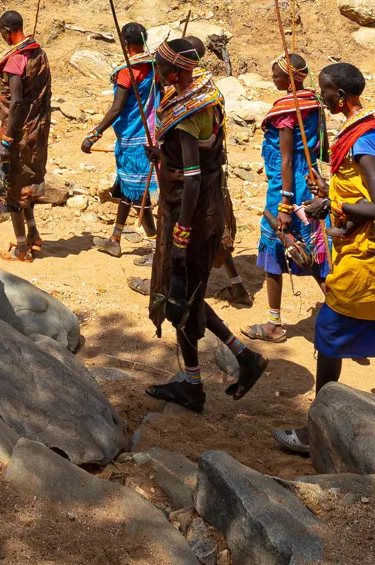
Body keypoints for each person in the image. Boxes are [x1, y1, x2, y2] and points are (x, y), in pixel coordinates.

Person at [272, 67, 375, 457]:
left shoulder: (363, 142)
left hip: (369, 256)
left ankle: (315, 430)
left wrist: (332, 203)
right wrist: (330, 187)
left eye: (325, 91)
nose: (321, 97)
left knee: (330, 337)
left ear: (339, 95)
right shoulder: (365, 131)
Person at [146, 35, 267, 410]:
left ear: (178, 69)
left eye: (162, 66)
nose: (157, 71)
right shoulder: (206, 90)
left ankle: (195, 383)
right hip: (208, 205)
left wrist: (180, 233)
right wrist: (162, 155)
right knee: (187, 295)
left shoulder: (185, 109)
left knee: (178, 297)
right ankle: (241, 358)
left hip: (190, 213)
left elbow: (192, 175)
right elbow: (197, 153)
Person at [245, 51, 325, 343]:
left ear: (290, 78)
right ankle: (343, 320)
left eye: (277, 74)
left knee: (276, 249)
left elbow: (287, 160)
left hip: (287, 186)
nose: (273, 78)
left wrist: (284, 203)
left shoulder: (287, 110)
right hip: (309, 182)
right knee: (311, 251)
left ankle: (274, 325)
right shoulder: (313, 102)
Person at [81, 20, 158, 257]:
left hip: (135, 141)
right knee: (126, 188)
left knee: (139, 198)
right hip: (146, 136)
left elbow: (116, 109)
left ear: (126, 45)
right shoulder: (154, 67)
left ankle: (157, 249)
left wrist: (94, 134)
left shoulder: (128, 72)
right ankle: (115, 238)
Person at [0, 9, 53, 263]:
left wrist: (7, 138)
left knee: (12, 186)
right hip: (37, 129)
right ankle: (34, 234)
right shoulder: (40, 54)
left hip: (18, 131)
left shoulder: (17, 60)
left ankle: (21, 248)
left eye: (3, 34)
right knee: (28, 180)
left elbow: (16, 102)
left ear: (8, 31)